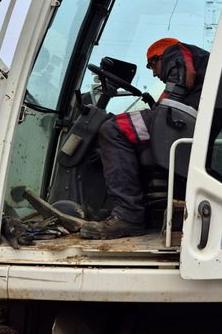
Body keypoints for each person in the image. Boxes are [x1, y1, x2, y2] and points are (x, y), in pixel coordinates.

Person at [80, 37, 210, 239]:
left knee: (113, 129)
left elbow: (182, 80)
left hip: (188, 120)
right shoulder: (199, 61)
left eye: (152, 65)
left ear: (160, 56)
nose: (154, 73)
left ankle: (128, 215)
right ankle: (126, 209)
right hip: (196, 121)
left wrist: (158, 115)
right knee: (130, 137)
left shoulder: (175, 51)